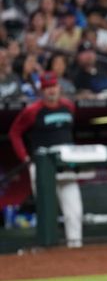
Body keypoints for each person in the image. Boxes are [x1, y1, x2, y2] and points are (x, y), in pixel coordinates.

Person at [9, 72, 83, 248]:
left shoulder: (69, 107)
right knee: (46, 211)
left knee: (74, 210)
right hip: (43, 165)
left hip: (66, 165)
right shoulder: (32, 111)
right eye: (47, 88)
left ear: (59, 87)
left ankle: (75, 247)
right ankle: (47, 249)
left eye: (53, 87)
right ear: (41, 90)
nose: (51, 91)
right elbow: (15, 133)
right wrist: (25, 157)